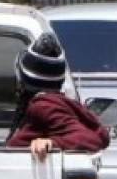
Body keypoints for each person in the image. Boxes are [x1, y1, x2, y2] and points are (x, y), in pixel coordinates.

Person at [6, 32, 109, 160]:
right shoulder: (57, 102)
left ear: (23, 79)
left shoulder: (44, 106)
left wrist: (51, 143)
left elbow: (90, 139)